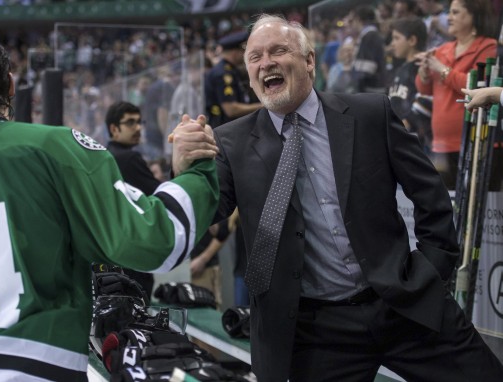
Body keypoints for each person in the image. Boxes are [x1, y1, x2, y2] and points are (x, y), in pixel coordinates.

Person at [181, 14, 503, 382]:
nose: (265, 62)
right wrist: (187, 169)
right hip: (318, 332)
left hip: (404, 304)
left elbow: (429, 194)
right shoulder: (230, 142)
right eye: (254, 57)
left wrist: (430, 272)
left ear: (309, 61)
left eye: (278, 50)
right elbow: (207, 210)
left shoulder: (370, 114)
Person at [0, 34, 219, 381]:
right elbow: (156, 239)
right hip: (34, 366)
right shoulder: (55, 147)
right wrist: (196, 170)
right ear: (10, 84)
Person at [415, 0, 497, 189]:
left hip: (476, 141)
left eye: (455, 12)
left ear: (472, 16)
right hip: (440, 144)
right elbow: (424, 89)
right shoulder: (443, 49)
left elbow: (478, 88)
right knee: (445, 202)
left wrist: (442, 69)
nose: (449, 18)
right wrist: (424, 73)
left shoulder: (488, 47)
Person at [105, 101, 160, 298]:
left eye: (139, 122)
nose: (137, 128)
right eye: (130, 123)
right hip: (133, 264)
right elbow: (159, 196)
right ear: (114, 129)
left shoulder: (105, 157)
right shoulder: (129, 158)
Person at [388, 17, 432, 152]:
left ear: (412, 40)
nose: (392, 44)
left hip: (415, 139)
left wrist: (407, 122)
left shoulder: (421, 66)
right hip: (398, 137)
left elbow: (427, 98)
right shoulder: (401, 69)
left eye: (396, 38)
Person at [205, 30, 262, 128]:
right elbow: (231, 109)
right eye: (243, 51)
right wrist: (263, 106)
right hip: (224, 130)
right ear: (235, 53)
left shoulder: (231, 69)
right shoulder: (223, 74)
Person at [347, 5, 387, 93]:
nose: (350, 25)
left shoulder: (370, 36)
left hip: (372, 89)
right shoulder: (368, 36)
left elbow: (367, 68)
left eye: (352, 21)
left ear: (358, 19)